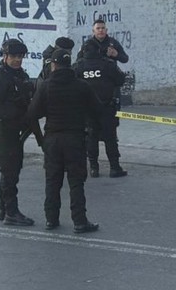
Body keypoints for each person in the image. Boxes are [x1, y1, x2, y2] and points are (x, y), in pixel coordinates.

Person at [25, 47, 101, 233]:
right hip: (75, 139)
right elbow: (97, 111)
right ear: (69, 64)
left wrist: (41, 138)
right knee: (76, 182)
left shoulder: (46, 86)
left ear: (54, 65)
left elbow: (32, 114)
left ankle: (51, 219)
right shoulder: (82, 86)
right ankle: (80, 221)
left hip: (53, 138)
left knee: (52, 180)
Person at [0, 39, 38, 226]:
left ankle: (3, 208)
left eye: (20, 57)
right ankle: (11, 211)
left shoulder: (20, 75)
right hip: (4, 130)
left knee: (13, 169)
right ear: (5, 56)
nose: (17, 60)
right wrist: (20, 115)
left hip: (17, 129)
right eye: (14, 57)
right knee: (10, 171)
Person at [79, 39, 127, 178]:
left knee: (91, 137)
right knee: (110, 138)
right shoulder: (108, 65)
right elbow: (120, 80)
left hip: (87, 109)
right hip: (107, 107)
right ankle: (114, 167)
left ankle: (94, 168)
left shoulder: (79, 66)